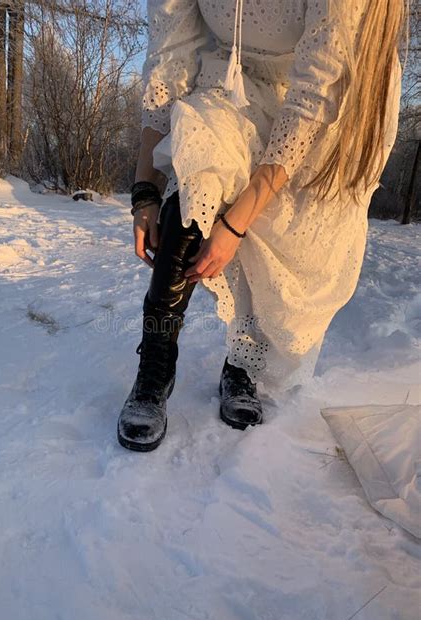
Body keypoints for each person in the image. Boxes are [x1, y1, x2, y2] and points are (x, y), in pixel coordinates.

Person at [117, 0, 405, 452]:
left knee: (279, 230)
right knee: (200, 155)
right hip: (227, 87)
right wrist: (144, 189)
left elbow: (315, 94)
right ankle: (156, 363)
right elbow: (169, 60)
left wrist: (235, 225)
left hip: (314, 113)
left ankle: (244, 362)